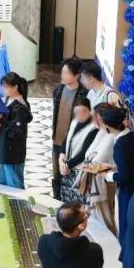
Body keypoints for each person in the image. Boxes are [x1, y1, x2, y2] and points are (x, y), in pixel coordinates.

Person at [102, 107, 134, 242]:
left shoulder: (120, 144)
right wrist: (115, 167)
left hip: (128, 190)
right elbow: (132, 162)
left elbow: (125, 176)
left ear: (108, 126)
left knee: (126, 225)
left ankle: (125, 249)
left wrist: (108, 176)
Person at [51, 58, 88, 199]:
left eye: (67, 73)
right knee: (56, 174)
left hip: (73, 142)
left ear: (77, 75)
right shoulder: (59, 90)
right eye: (62, 72)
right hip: (57, 139)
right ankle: (56, 201)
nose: (63, 75)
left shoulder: (84, 94)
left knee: (69, 174)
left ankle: (68, 204)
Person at [80, 103, 118, 235]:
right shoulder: (101, 131)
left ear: (100, 118)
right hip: (93, 178)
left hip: (104, 181)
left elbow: (98, 159)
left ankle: (109, 241)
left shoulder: (111, 136)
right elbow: (89, 154)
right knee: (94, 215)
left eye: (94, 116)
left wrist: (88, 164)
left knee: (104, 216)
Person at [58, 98, 98, 202]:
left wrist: (67, 165)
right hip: (67, 169)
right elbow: (66, 140)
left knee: (77, 204)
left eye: (83, 111)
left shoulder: (93, 128)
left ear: (89, 110)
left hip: (79, 172)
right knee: (66, 202)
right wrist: (61, 157)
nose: (80, 115)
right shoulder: (74, 122)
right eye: (77, 112)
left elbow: (84, 153)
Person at [0, 72, 32, 189]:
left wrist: (1, 120)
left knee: (14, 188)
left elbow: (16, 133)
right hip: (5, 150)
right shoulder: (8, 100)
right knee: (3, 187)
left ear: (15, 87)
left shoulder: (20, 108)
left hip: (13, 154)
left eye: (6, 86)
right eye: (2, 86)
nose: (3, 89)